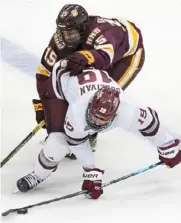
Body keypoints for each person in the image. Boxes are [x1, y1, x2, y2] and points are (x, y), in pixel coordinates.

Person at [17, 66, 181, 199]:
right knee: (57, 142)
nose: (97, 122)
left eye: (103, 120)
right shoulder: (77, 111)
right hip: (59, 84)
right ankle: (38, 175)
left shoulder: (126, 110)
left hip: (87, 81)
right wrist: (90, 170)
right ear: (90, 105)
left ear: (115, 113)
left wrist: (167, 145)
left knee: (82, 131)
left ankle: (88, 135)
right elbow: (77, 143)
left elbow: (150, 122)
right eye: (95, 117)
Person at [33, 4, 145, 159]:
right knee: (73, 89)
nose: (67, 37)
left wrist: (85, 57)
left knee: (103, 95)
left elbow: (104, 57)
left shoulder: (102, 33)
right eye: (64, 32)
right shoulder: (59, 41)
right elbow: (44, 73)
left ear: (83, 28)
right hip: (95, 52)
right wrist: (45, 106)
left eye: (71, 33)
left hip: (126, 57)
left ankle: (89, 135)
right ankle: (71, 130)